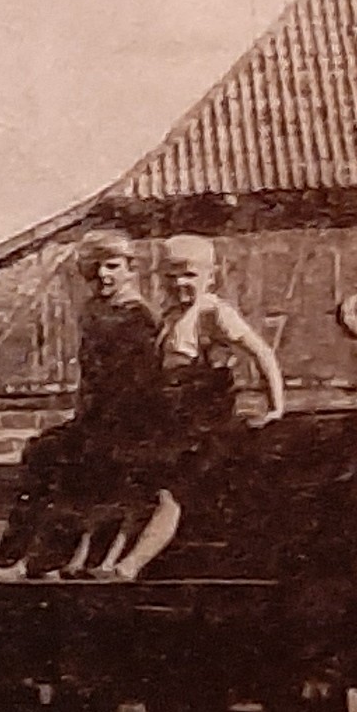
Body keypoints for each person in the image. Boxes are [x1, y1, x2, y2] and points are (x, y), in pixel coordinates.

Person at [91, 233, 287, 582]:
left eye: (189, 275)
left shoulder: (212, 313)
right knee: (140, 490)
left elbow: (261, 352)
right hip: (171, 416)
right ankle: (107, 563)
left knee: (170, 493)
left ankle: (130, 566)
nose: (180, 283)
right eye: (171, 276)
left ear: (211, 276)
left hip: (201, 421)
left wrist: (276, 406)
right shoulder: (170, 316)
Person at [0, 229, 163, 579]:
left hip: (128, 424)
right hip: (94, 418)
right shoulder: (93, 310)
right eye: (94, 268)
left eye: (112, 266)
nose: (103, 275)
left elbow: (139, 385)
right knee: (41, 451)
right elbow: (91, 379)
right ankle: (14, 560)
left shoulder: (138, 317)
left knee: (73, 468)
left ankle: (37, 563)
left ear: (130, 269)